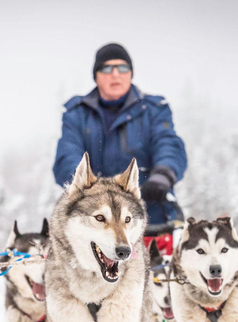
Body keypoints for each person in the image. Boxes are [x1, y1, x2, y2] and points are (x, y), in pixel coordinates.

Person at [53, 43, 188, 227]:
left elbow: (168, 145)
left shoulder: (154, 109)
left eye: (122, 68)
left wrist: (162, 176)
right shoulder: (77, 114)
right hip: (95, 221)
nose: (115, 74)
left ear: (131, 73)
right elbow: (67, 156)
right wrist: (89, 188)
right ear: (96, 76)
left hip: (152, 218)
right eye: (107, 68)